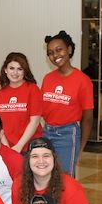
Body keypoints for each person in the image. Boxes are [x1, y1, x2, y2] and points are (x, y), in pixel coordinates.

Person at [40, 31, 94, 176]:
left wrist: (80, 147)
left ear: (69, 49)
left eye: (59, 50)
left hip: (68, 134)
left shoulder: (83, 80)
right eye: (51, 53)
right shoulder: (48, 78)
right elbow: (42, 108)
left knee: (65, 179)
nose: (55, 55)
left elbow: (88, 118)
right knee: (46, 176)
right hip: (47, 131)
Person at [0, 52, 43, 153]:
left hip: (30, 148)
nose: (15, 73)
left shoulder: (33, 89)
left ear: (25, 71)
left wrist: (19, 146)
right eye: (11, 68)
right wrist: (6, 146)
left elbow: (34, 122)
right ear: (5, 70)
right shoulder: (0, 94)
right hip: (7, 147)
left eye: (19, 69)